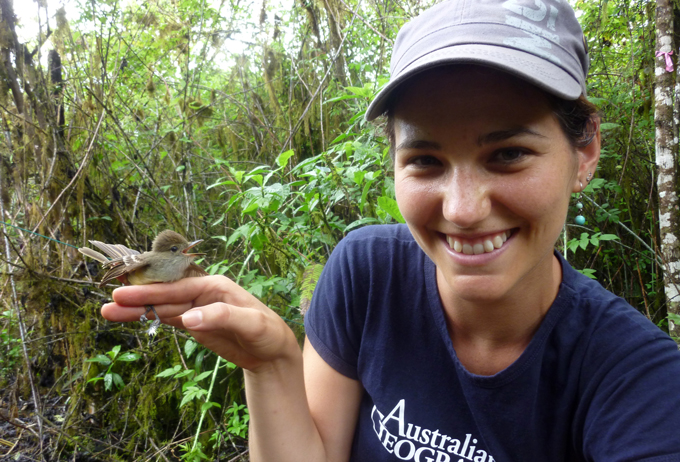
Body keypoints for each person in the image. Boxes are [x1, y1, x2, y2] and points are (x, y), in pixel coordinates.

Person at [101, 0, 680, 460]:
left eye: (507, 154)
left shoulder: (639, 382)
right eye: (426, 161)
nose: (462, 208)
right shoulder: (366, 273)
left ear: (585, 152)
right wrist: (273, 363)